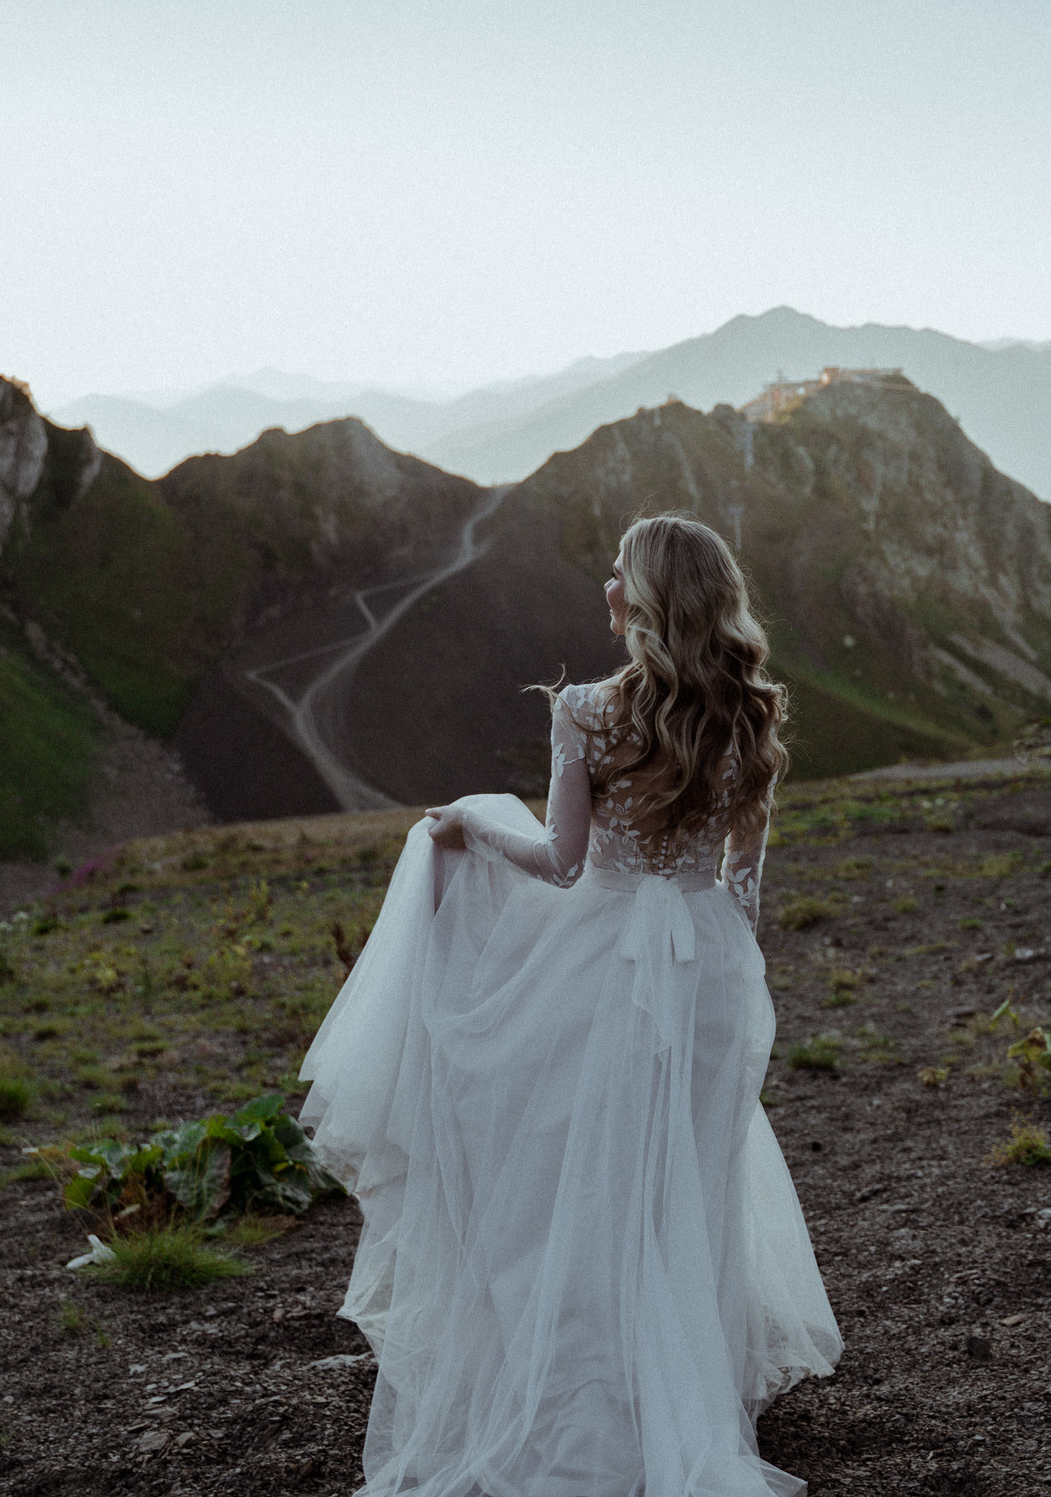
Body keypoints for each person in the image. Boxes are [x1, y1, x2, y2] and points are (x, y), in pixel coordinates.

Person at [299, 514, 842, 1497]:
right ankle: (688, 1389)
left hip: (609, 968)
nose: (604, 587)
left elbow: (559, 863)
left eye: (619, 574)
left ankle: (601, 1393)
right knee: (689, 1182)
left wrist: (468, 823)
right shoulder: (751, 711)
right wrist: (716, 972)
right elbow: (744, 883)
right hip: (709, 968)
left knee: (586, 1180)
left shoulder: (588, 711)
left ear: (646, 598)